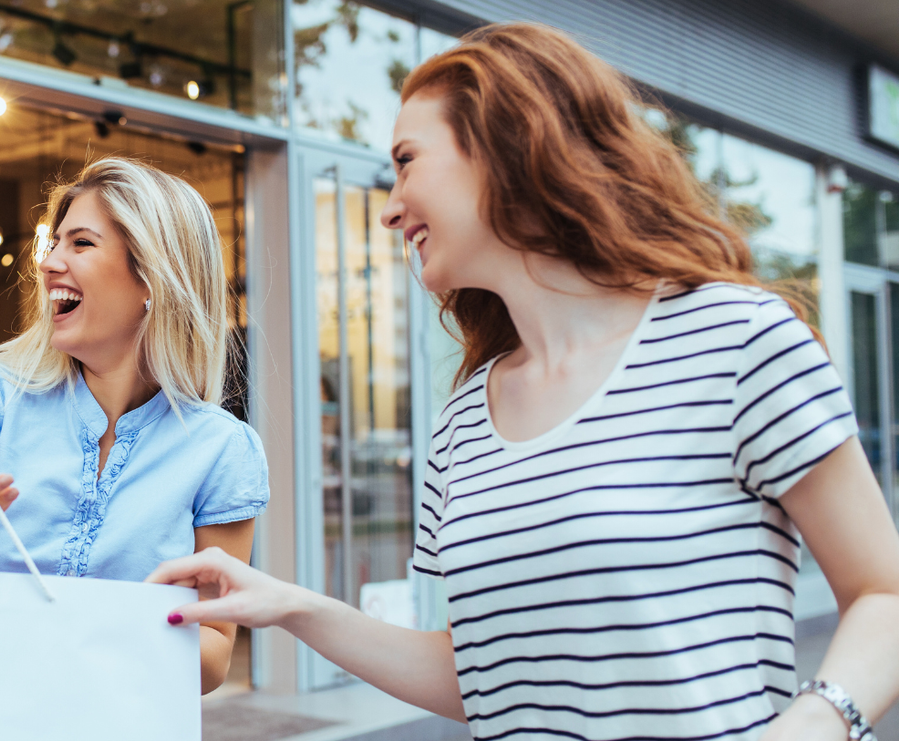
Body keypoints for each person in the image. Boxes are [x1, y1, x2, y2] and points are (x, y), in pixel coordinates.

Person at [147, 23, 899, 739]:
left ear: (507, 145)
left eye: (408, 161)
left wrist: (814, 720)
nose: (389, 207)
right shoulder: (463, 420)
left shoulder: (737, 340)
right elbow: (484, 674)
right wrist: (291, 605)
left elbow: (884, 596)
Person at [0, 158, 270, 693]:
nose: (49, 262)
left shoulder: (222, 448)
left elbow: (214, 654)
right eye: (54, 244)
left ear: (152, 274)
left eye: (80, 244)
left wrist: (82, 633)